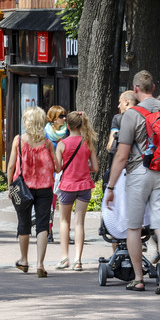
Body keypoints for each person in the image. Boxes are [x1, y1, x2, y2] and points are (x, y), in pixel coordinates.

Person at [105, 70, 160, 294]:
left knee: (134, 227)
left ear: (136, 89)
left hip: (138, 173)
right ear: (154, 88)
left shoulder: (131, 115)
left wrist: (110, 187)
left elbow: (121, 155)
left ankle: (138, 278)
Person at [7, 107, 59, 276]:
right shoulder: (47, 143)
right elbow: (58, 167)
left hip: (24, 188)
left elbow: (11, 166)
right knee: (43, 225)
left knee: (24, 223)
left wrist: (10, 186)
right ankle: (40, 264)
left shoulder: (18, 141)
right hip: (45, 188)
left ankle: (24, 260)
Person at [54, 111, 98, 271]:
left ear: (68, 125)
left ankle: (64, 258)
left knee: (64, 221)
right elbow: (95, 167)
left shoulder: (62, 144)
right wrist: (83, 167)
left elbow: (58, 168)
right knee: (80, 223)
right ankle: (78, 260)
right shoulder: (88, 143)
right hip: (85, 185)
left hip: (67, 186)